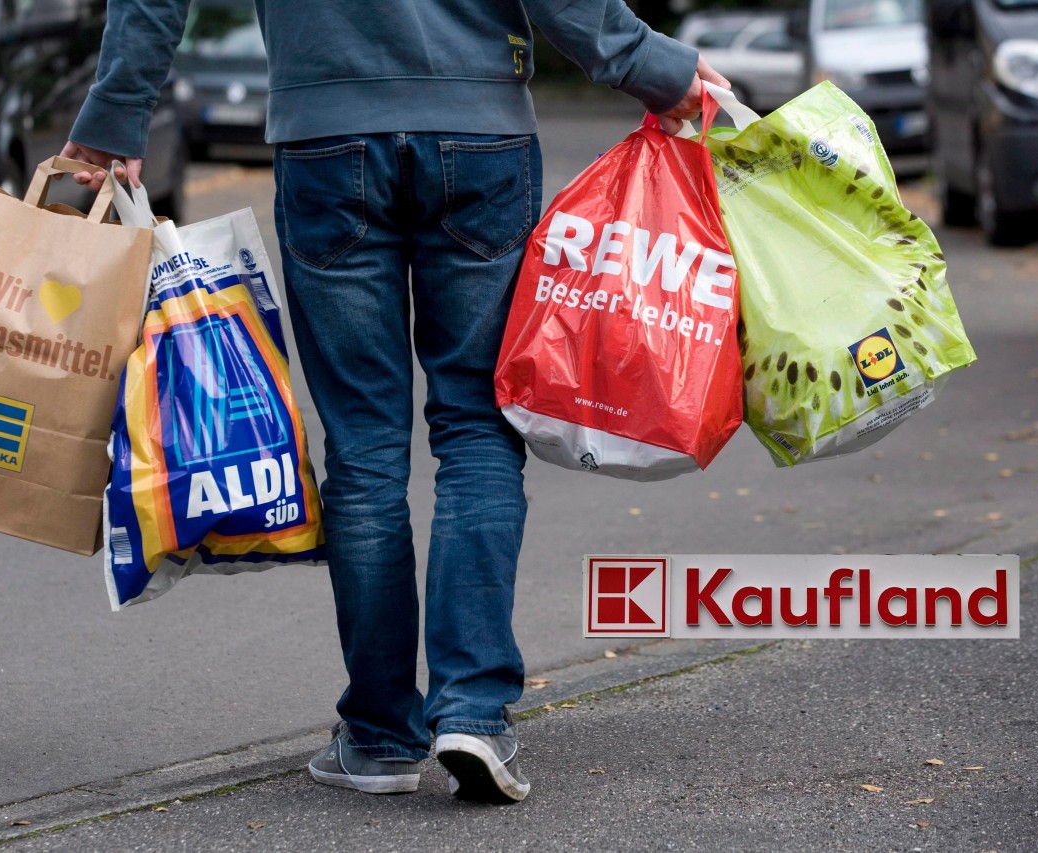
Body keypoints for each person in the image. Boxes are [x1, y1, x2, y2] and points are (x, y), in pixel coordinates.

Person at [63, 0, 728, 805]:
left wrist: (115, 116)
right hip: (478, 130)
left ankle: (380, 736)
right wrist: (651, 68)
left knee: (365, 450)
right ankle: (475, 714)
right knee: (478, 430)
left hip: (325, 134)